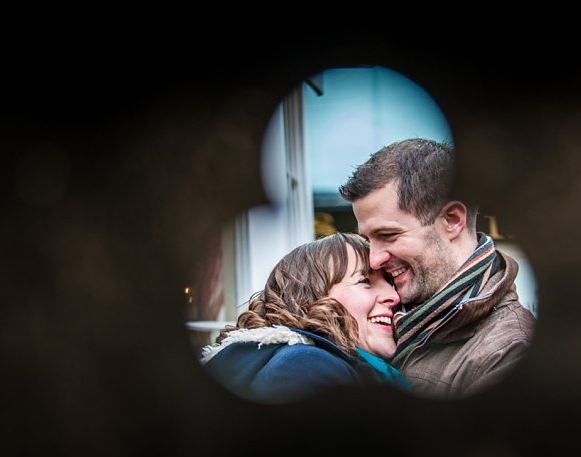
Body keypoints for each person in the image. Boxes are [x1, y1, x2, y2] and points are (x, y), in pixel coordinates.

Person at [339, 138, 536, 397]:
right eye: (368, 239)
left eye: (388, 235)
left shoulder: (509, 352)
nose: (374, 260)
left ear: (452, 220)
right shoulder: (386, 313)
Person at [200, 233, 410, 402]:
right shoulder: (306, 367)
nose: (393, 296)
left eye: (390, 282)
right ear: (310, 298)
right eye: (365, 281)